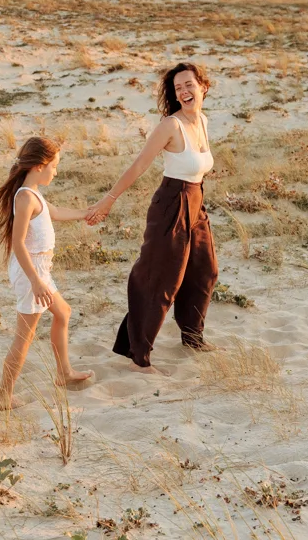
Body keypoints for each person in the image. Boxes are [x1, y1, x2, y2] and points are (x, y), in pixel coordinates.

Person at [86, 62, 218, 375]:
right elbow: (138, 165)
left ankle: (192, 336)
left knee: (204, 271)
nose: (184, 91)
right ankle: (137, 352)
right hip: (171, 204)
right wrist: (109, 200)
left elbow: (198, 168)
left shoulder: (203, 121)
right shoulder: (170, 126)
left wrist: (196, 204)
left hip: (196, 202)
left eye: (189, 85)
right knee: (160, 278)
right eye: (178, 88)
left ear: (203, 87)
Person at [0, 137, 95, 409]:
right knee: (25, 335)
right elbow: (18, 244)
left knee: (63, 313)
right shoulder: (24, 199)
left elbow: (54, 212)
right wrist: (36, 282)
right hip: (30, 273)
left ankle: (64, 373)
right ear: (40, 166)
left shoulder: (34, 194)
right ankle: (3, 396)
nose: (56, 172)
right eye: (54, 166)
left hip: (41, 270)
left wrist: (87, 213)